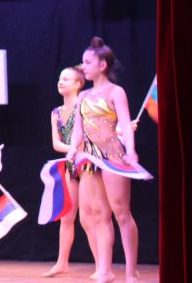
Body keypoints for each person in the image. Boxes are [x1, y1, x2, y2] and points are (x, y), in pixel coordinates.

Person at [66, 38, 140, 283]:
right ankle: (105, 271)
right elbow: (78, 129)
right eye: (83, 62)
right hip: (90, 160)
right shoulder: (83, 96)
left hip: (113, 158)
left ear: (102, 65)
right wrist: (72, 149)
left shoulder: (115, 92)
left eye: (87, 62)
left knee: (122, 214)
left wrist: (131, 151)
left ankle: (130, 272)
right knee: (99, 215)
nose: (83, 67)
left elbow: (125, 125)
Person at [42, 66, 98, 278]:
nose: (60, 81)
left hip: (87, 165)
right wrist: (72, 149)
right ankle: (61, 263)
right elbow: (56, 143)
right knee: (66, 217)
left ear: (78, 84)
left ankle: (101, 266)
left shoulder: (84, 107)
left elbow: (93, 133)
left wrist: (122, 129)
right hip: (71, 165)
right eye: (59, 78)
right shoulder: (55, 112)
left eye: (66, 79)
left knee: (87, 218)